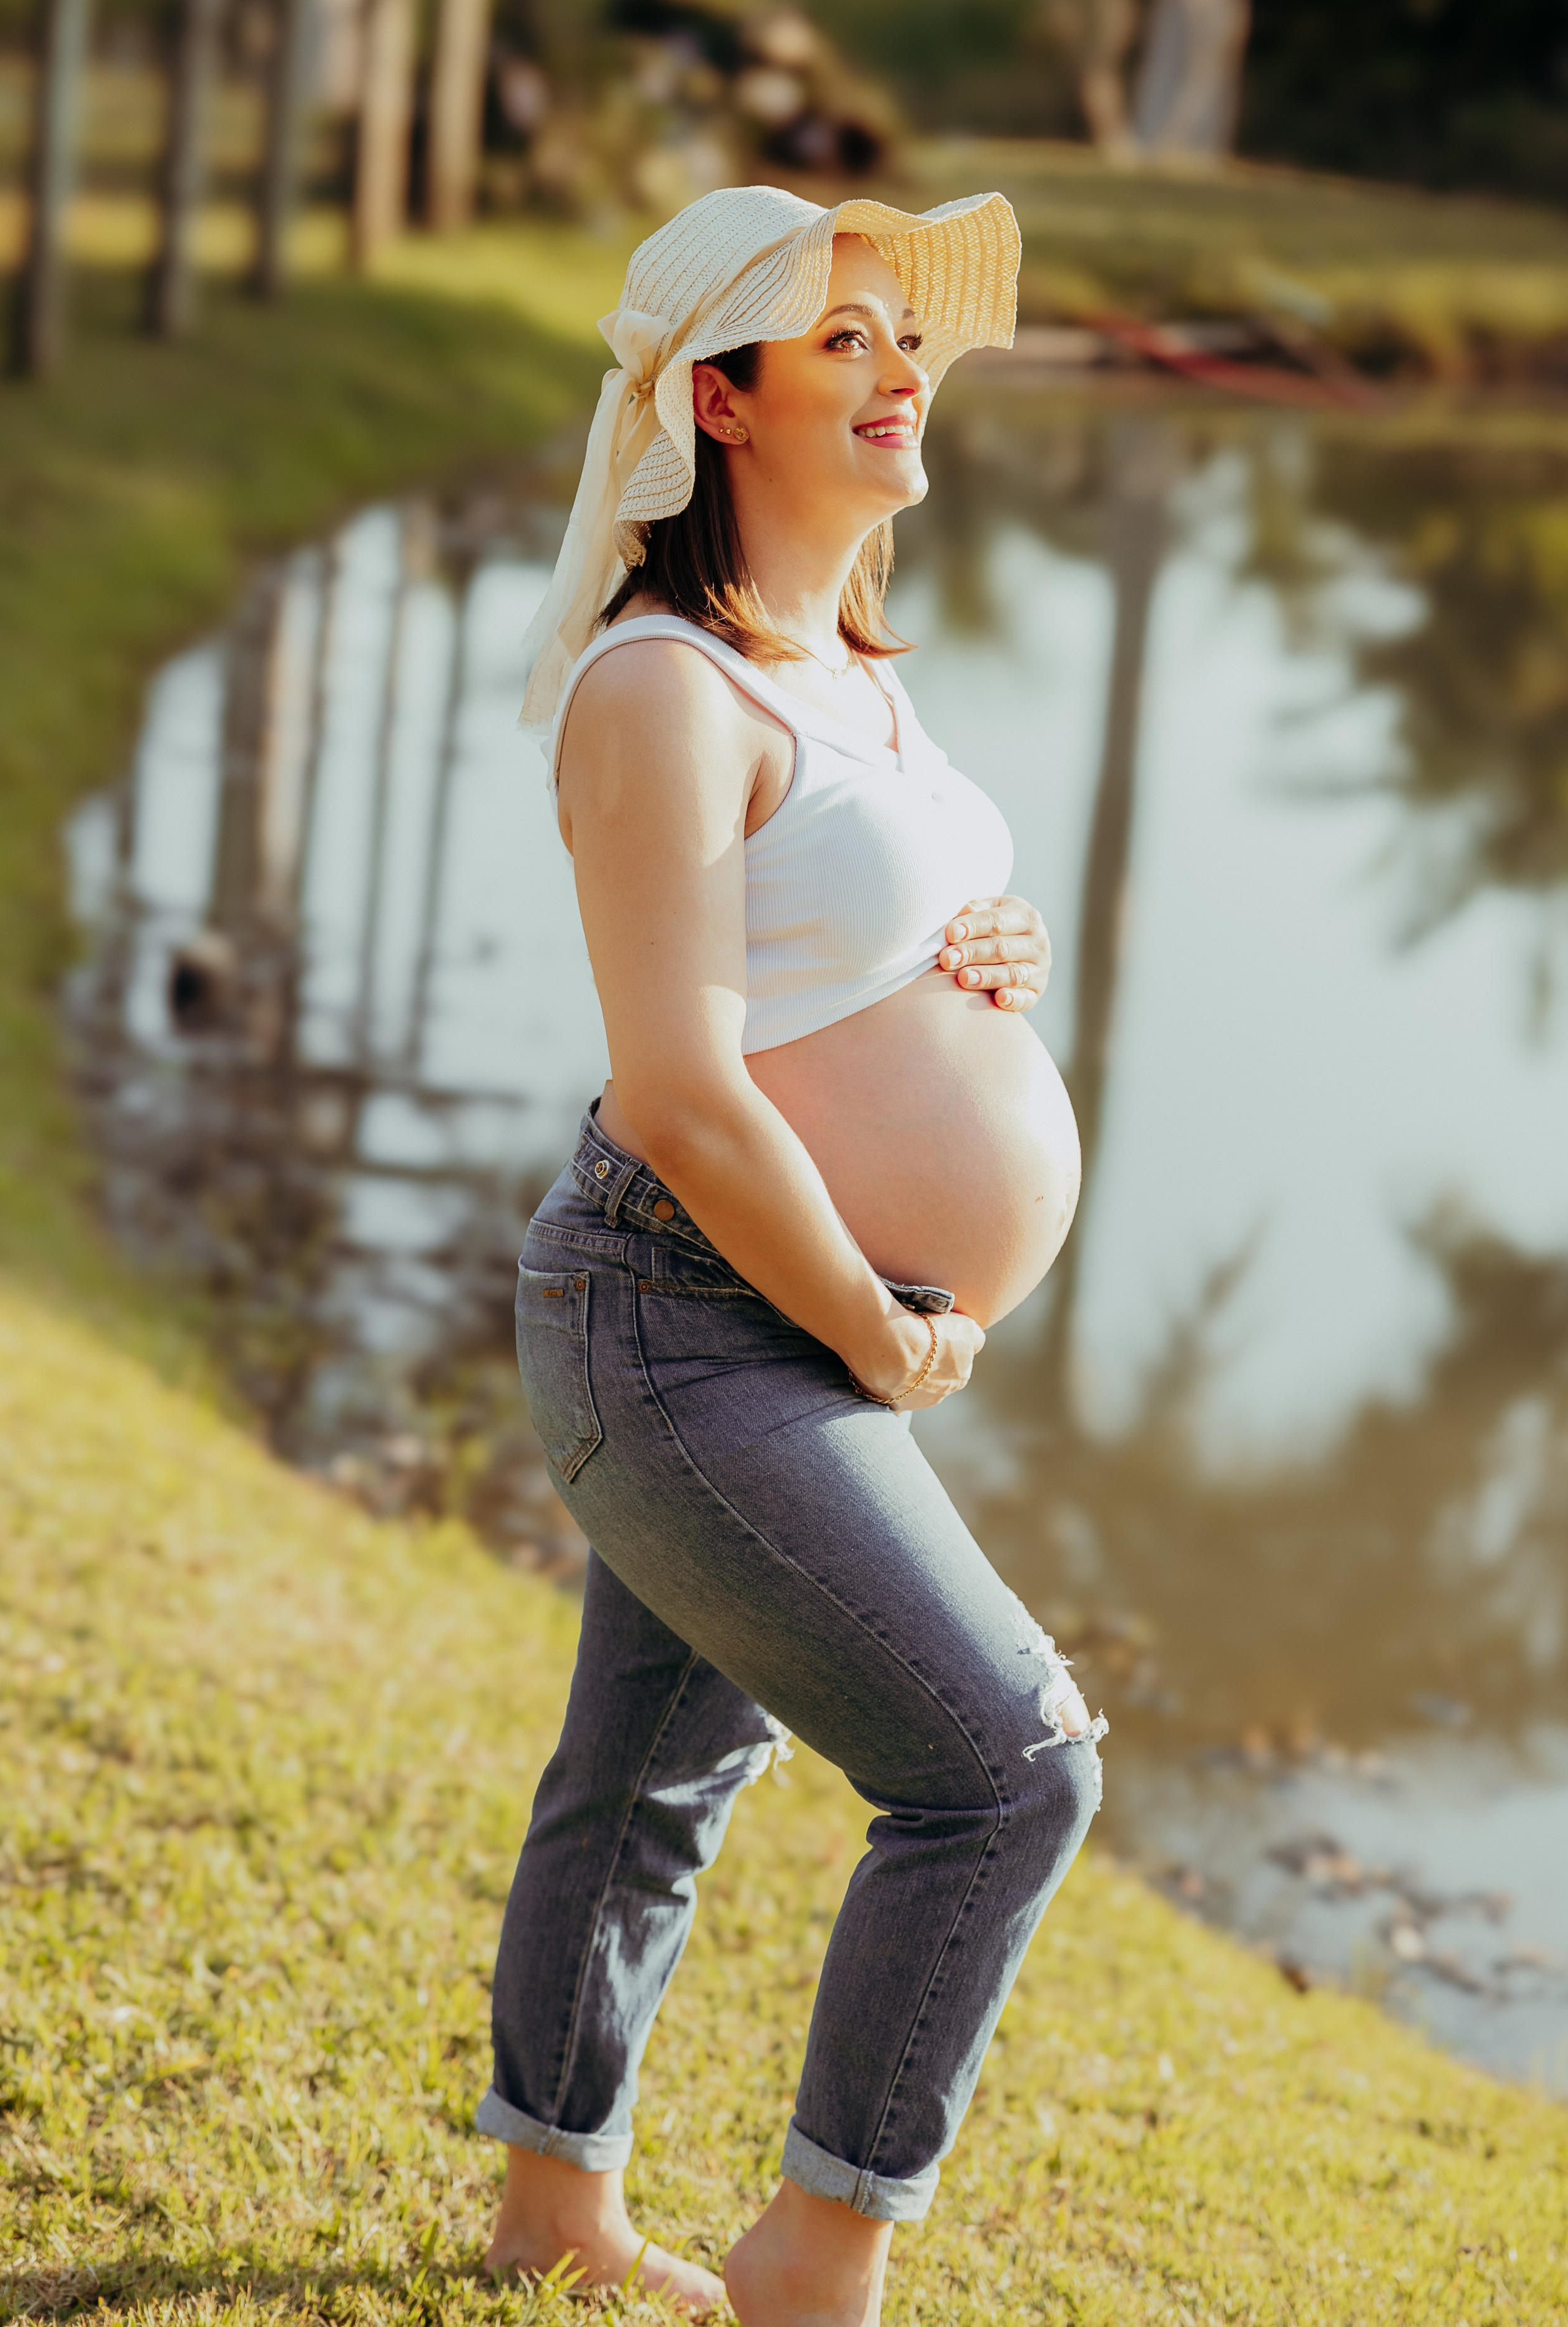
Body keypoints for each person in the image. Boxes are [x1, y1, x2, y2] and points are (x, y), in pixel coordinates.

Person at [478, 186, 1106, 2325]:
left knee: (656, 1765)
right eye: (844, 340)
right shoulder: (660, 691)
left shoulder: (844, 668)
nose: (903, 367)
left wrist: (993, 957)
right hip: (689, 1315)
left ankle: (550, 2210)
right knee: (1011, 1766)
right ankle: (815, 2261)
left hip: (781, 1317)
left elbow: (850, 956)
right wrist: (870, 1320)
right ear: (714, 398)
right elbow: (679, 1086)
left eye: (903, 337)